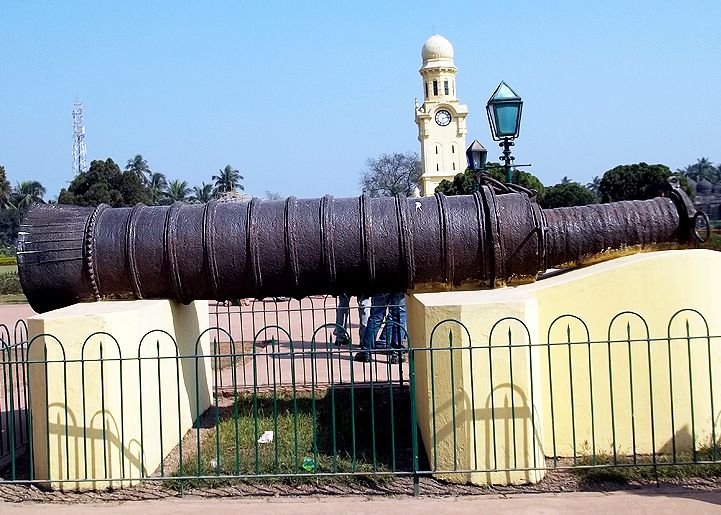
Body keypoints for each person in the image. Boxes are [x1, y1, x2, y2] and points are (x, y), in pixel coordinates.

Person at [354, 292, 406, 363]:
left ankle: (366, 352)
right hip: (398, 285)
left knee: (376, 317)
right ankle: (397, 353)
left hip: (381, 285)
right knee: (398, 317)